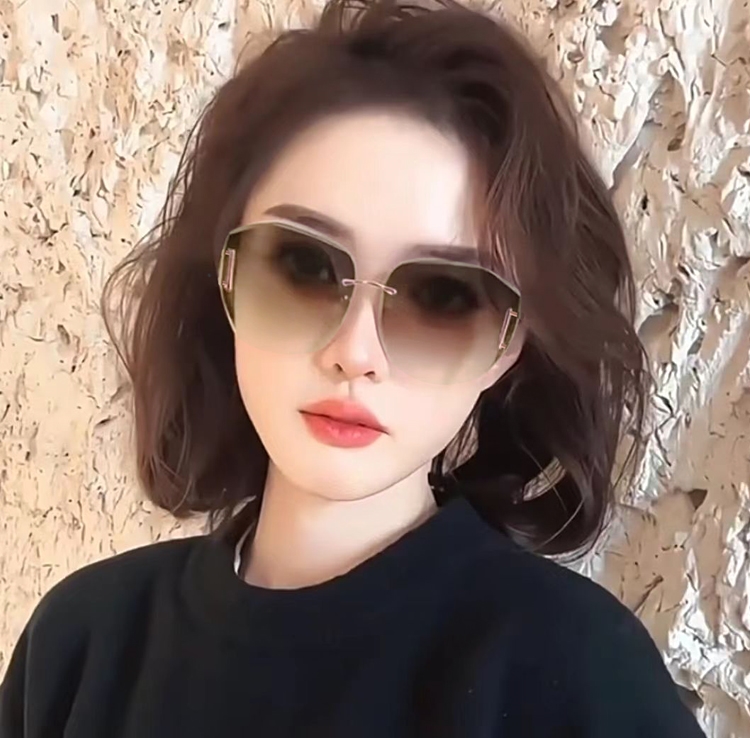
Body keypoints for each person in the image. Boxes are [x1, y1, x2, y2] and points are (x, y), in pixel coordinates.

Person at [0, 0, 707, 735]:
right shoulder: (81, 646)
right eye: (304, 267)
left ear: (508, 346)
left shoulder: (580, 675)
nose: (355, 353)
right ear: (225, 279)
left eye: (442, 296)